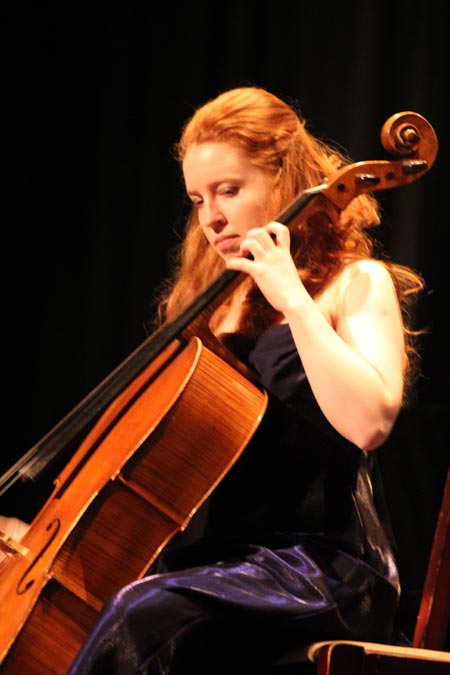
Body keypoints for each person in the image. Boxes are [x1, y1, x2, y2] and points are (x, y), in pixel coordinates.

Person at [67, 86, 425, 675]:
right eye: (197, 198)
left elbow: (370, 422)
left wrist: (290, 295)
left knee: (142, 614)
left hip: (327, 567)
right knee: (108, 602)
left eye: (229, 191)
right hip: (229, 562)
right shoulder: (212, 308)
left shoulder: (353, 284)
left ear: (284, 181)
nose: (211, 216)